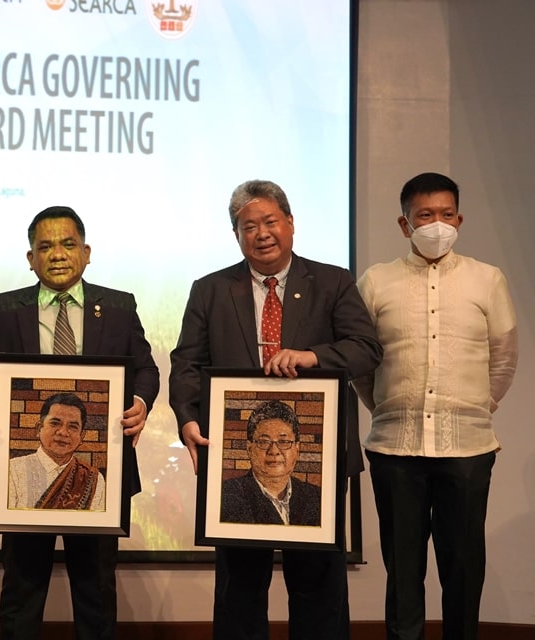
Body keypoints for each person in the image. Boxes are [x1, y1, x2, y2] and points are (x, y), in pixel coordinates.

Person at [169, 179, 382, 640]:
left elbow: (366, 348)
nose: (261, 233)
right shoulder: (210, 290)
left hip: (314, 464)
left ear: (290, 224)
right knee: (239, 589)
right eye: (248, 226)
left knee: (318, 587)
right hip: (238, 464)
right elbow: (186, 363)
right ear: (236, 235)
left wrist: (314, 356)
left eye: (270, 222)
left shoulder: (332, 281)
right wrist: (188, 419)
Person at [0, 205, 159, 639]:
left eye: (68, 244)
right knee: (22, 589)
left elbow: (146, 370)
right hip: (22, 483)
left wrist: (141, 402)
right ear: (30, 258)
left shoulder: (120, 307)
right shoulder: (3, 309)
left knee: (95, 590)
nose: (57, 254)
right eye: (44, 246)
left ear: (87, 253)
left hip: (99, 477)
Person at [352, 172, 517, 640]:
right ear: (405, 224)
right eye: (425, 215)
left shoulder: (488, 279)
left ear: (459, 219)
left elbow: (503, 360)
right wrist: (385, 407)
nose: (437, 224)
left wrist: (475, 408)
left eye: (446, 214)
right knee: (402, 572)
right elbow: (362, 366)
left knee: (464, 569)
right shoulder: (375, 282)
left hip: (468, 450)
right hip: (394, 451)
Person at [220, 399, 320, 526]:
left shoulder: (316, 497)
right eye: (264, 442)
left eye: (283, 442)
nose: (274, 451)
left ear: (297, 448)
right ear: (249, 448)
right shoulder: (226, 495)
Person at [9, 392, 106, 511]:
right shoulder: (13, 470)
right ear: (39, 428)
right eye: (55, 423)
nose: (63, 432)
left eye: (72, 427)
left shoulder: (93, 479)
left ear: (81, 436)